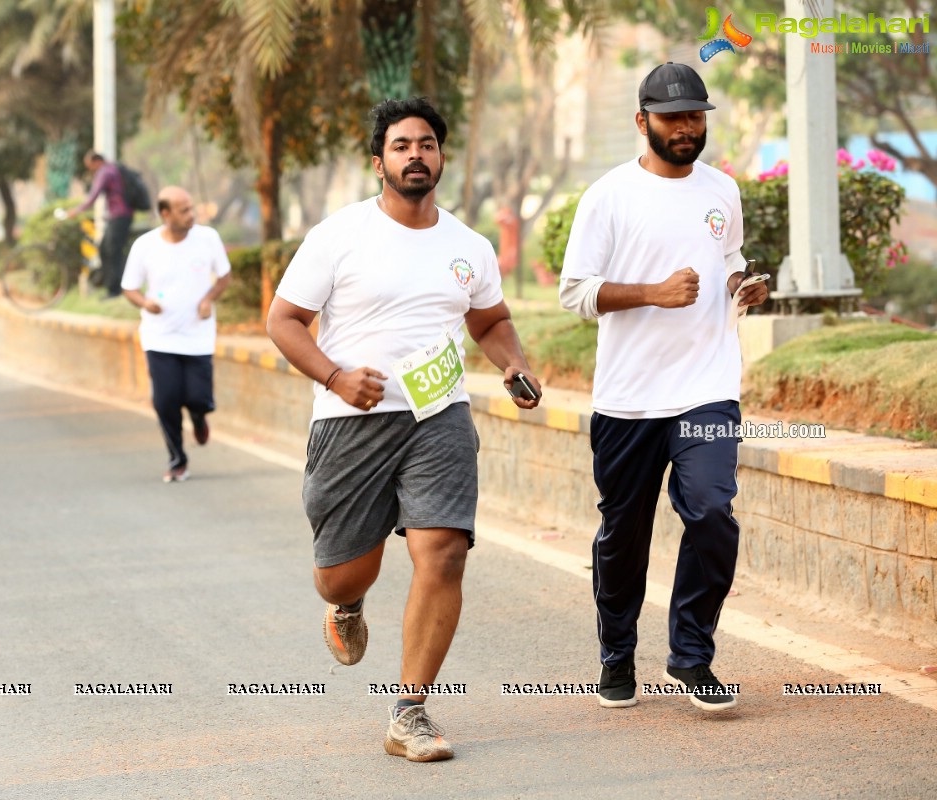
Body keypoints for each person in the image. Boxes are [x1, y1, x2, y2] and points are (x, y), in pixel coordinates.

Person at [267, 97, 541, 762]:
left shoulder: (468, 247)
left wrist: (513, 364)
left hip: (437, 415)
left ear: (441, 157)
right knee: (341, 575)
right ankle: (346, 605)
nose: (416, 154)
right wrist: (334, 377)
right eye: (401, 145)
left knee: (444, 551)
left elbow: (489, 320)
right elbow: (283, 321)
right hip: (351, 421)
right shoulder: (339, 236)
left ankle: (410, 712)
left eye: (427, 144)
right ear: (378, 161)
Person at [558, 62, 769, 712]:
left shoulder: (722, 191)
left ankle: (692, 656)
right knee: (625, 533)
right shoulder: (608, 196)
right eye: (673, 116)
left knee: (710, 511)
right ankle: (617, 654)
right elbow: (575, 292)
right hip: (628, 398)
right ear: (642, 121)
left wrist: (742, 285)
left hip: (707, 386)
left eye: (696, 116)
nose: (686, 127)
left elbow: (727, 260)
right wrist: (652, 293)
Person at [120, 186, 231, 482]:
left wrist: (208, 299)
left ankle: (198, 416)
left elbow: (224, 276)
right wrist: (145, 303)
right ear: (165, 213)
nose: (191, 215)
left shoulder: (208, 238)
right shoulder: (145, 245)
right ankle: (177, 459)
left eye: (191, 208)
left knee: (198, 398)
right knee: (165, 401)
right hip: (160, 336)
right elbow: (129, 287)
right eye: (183, 210)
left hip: (197, 336)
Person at [67, 151, 133, 299]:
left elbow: (93, 195)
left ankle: (116, 290)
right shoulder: (112, 169)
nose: (91, 169)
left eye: (90, 166)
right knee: (106, 250)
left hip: (120, 216)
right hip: (118, 216)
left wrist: (76, 211)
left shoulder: (105, 172)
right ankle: (113, 288)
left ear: (97, 161)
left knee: (112, 252)